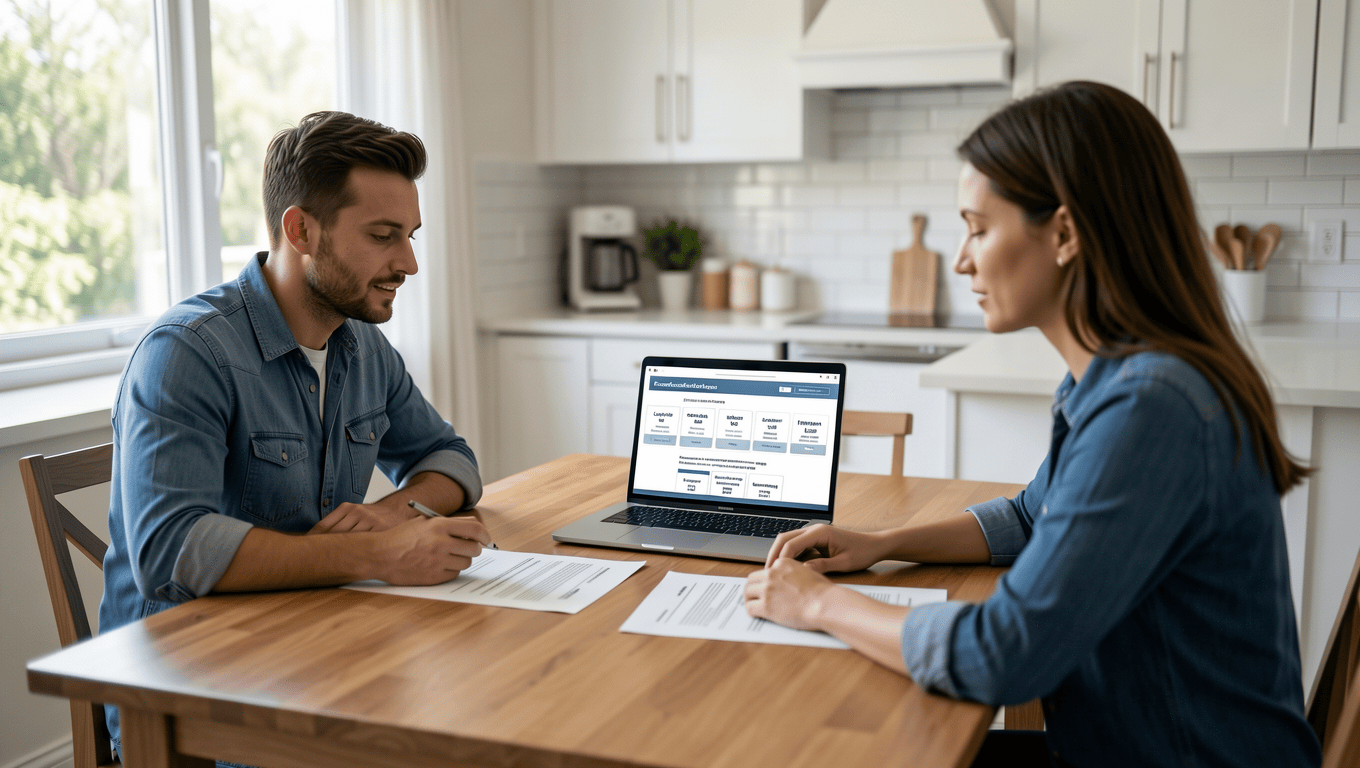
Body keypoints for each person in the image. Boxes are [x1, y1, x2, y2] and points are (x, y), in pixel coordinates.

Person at [743, 81, 1322, 768]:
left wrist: (818, 608)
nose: (961, 259)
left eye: (979, 228)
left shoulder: (1151, 407)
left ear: (1066, 232)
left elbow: (1004, 655)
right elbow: (1029, 517)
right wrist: (881, 542)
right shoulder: (1116, 376)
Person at [99, 111, 488, 757]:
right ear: (301, 229)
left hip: (318, 654)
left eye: (411, 236)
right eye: (384, 236)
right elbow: (170, 550)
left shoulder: (360, 343)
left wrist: (389, 515)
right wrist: (377, 555)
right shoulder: (187, 353)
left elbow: (450, 458)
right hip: (192, 699)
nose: (409, 263)